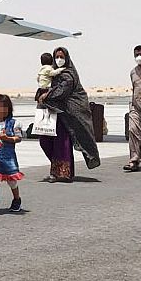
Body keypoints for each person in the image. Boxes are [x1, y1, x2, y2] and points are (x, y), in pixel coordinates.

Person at [38, 47, 101, 182]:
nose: (59, 60)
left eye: (62, 57)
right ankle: (59, 169)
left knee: (62, 143)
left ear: (67, 58)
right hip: (57, 113)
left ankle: (63, 173)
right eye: (57, 57)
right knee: (46, 140)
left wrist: (47, 94)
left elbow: (62, 91)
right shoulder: (54, 74)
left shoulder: (68, 75)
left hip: (69, 114)